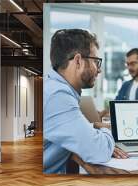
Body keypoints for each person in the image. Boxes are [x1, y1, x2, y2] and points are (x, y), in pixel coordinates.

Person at [44, 29, 128, 174]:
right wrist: (106, 130)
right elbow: (99, 151)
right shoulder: (57, 96)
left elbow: (63, 128)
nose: (99, 70)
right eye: (96, 62)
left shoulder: (53, 88)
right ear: (78, 61)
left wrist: (93, 126)